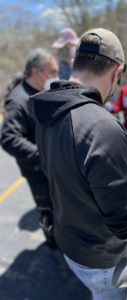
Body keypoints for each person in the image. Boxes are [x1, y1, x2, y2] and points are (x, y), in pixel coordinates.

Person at [28, 28, 127, 299]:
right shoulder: (103, 128)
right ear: (117, 72)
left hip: (71, 242)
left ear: (74, 64)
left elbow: (65, 174)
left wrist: (117, 189)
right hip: (102, 259)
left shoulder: (45, 111)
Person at [1, 48, 59, 248]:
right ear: (36, 71)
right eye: (52, 72)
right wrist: (42, 154)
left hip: (49, 165)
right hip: (37, 170)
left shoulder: (40, 91)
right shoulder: (18, 101)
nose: (55, 76)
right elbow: (8, 137)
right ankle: (53, 242)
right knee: (48, 209)